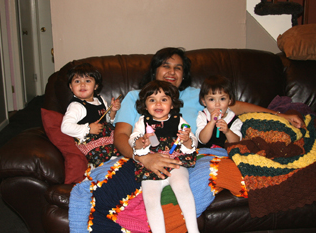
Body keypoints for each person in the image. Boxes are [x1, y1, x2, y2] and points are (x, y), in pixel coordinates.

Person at [114, 47, 303, 179]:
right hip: (147, 156)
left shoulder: (196, 95)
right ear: (154, 70)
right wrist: (143, 158)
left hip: (191, 158)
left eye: (178, 68)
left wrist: (279, 115)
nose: (172, 72)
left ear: (184, 74)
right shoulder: (134, 97)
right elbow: (121, 135)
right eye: (166, 66)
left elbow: (235, 106)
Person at [129, 80, 204, 233]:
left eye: (164, 99)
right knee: (151, 199)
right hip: (151, 164)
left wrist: (186, 141)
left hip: (175, 160)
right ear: (144, 105)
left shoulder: (179, 120)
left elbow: (192, 144)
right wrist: (139, 143)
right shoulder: (142, 122)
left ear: (172, 103)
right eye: (152, 100)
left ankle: (193, 231)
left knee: (182, 186)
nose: (158, 104)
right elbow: (133, 140)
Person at [61, 63, 121, 168]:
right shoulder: (76, 106)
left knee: (125, 142)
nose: (82, 85)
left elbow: (107, 120)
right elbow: (65, 127)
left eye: (87, 81)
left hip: (108, 137)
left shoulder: (100, 99)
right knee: (104, 156)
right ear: (71, 87)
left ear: (96, 86)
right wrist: (88, 129)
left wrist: (113, 111)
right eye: (77, 81)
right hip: (92, 144)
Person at [196, 75, 242, 148]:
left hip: (225, 154)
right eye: (211, 99)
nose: (217, 104)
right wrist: (211, 123)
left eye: (222, 99)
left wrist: (227, 131)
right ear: (204, 102)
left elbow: (236, 142)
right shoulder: (203, 115)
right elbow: (203, 140)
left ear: (230, 100)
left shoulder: (234, 119)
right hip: (204, 151)